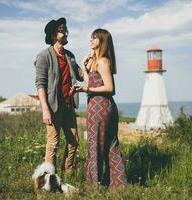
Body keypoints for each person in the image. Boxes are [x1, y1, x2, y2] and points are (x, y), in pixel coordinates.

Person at [77, 28, 127, 187]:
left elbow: (110, 88)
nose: (90, 40)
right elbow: (89, 83)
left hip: (102, 107)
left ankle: (95, 185)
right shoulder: (94, 62)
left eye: (94, 38)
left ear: (102, 41)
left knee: (99, 145)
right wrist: (83, 67)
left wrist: (88, 90)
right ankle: (117, 184)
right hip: (94, 107)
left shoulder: (103, 61)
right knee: (100, 145)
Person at [34, 17, 83, 174]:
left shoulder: (70, 55)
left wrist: (88, 62)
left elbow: (80, 75)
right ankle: (49, 178)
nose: (66, 32)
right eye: (62, 30)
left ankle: (67, 174)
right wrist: (45, 109)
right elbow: (40, 84)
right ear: (53, 35)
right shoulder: (43, 56)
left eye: (66, 29)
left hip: (69, 106)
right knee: (53, 144)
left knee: (74, 142)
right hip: (53, 108)